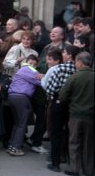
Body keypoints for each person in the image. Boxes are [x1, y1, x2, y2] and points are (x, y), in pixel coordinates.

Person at [45, 45, 80, 173]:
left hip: (58, 102)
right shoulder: (78, 69)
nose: (62, 54)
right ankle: (68, 159)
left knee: (56, 132)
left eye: (64, 52)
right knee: (69, 132)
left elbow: (50, 88)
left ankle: (56, 162)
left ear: (70, 55)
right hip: (73, 103)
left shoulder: (59, 68)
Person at [60, 51, 94, 176]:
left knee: (74, 142)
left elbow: (63, 96)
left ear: (79, 62)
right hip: (91, 116)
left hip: (75, 115)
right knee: (89, 144)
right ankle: (89, 170)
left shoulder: (74, 77)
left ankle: (75, 168)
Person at [6, 55, 42, 156]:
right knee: (22, 124)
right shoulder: (30, 69)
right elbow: (42, 81)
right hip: (22, 97)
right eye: (31, 63)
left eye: (35, 64)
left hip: (12, 96)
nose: (33, 65)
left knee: (17, 123)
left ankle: (11, 146)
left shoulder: (20, 70)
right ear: (27, 62)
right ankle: (15, 148)